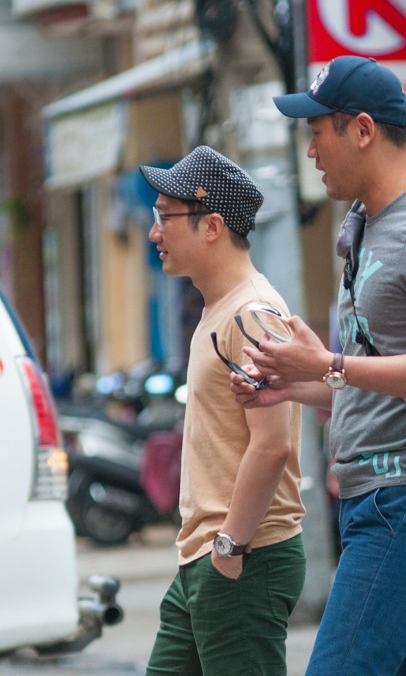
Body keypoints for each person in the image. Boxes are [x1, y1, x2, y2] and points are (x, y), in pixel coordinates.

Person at [231, 55, 406, 675]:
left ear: (363, 130)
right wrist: (297, 383)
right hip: (379, 498)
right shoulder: (365, 229)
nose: (310, 149)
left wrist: (331, 364)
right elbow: (378, 378)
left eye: (318, 131)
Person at [141, 146, 306, 675]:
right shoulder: (219, 308)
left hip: (244, 555)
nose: (154, 233)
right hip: (206, 556)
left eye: (165, 217)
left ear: (212, 226)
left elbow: (272, 442)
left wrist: (230, 547)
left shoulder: (252, 314)